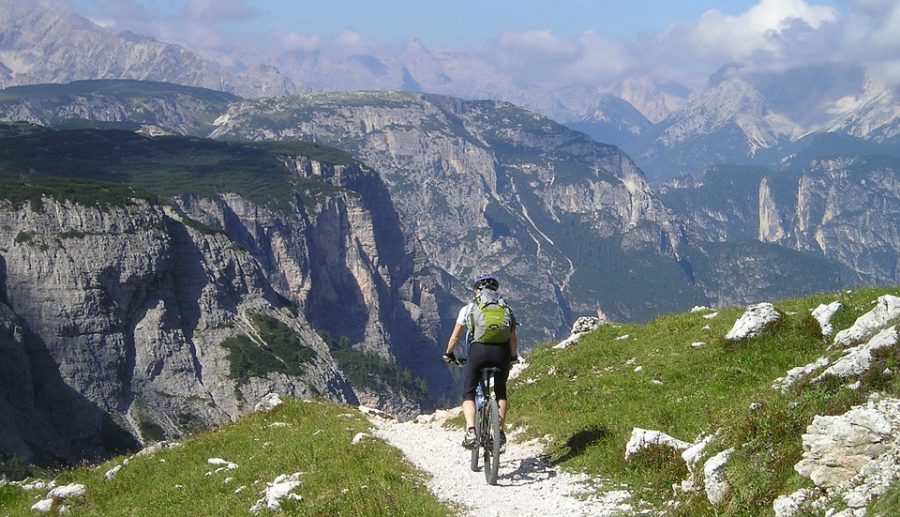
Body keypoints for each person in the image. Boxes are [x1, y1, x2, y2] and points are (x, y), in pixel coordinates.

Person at [443, 275, 518, 450]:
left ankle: (471, 432)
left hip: (478, 352)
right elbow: (513, 339)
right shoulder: (506, 308)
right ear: (495, 291)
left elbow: (455, 337)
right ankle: (498, 433)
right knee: (500, 392)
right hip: (502, 353)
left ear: (478, 291)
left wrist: (449, 353)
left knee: (469, 393)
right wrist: (513, 357)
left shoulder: (469, 308)